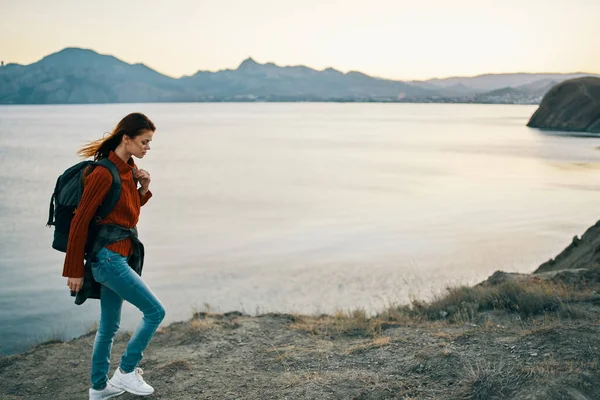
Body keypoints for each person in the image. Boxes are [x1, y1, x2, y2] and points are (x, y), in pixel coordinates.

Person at [62, 112, 165, 399]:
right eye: (144, 141)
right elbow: (80, 221)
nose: (148, 147)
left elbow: (125, 216)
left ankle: (99, 388)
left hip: (117, 255)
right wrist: (73, 270)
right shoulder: (103, 173)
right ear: (126, 138)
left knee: (108, 327)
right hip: (108, 259)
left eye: (150, 143)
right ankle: (126, 371)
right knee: (155, 311)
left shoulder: (128, 172)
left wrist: (143, 189)